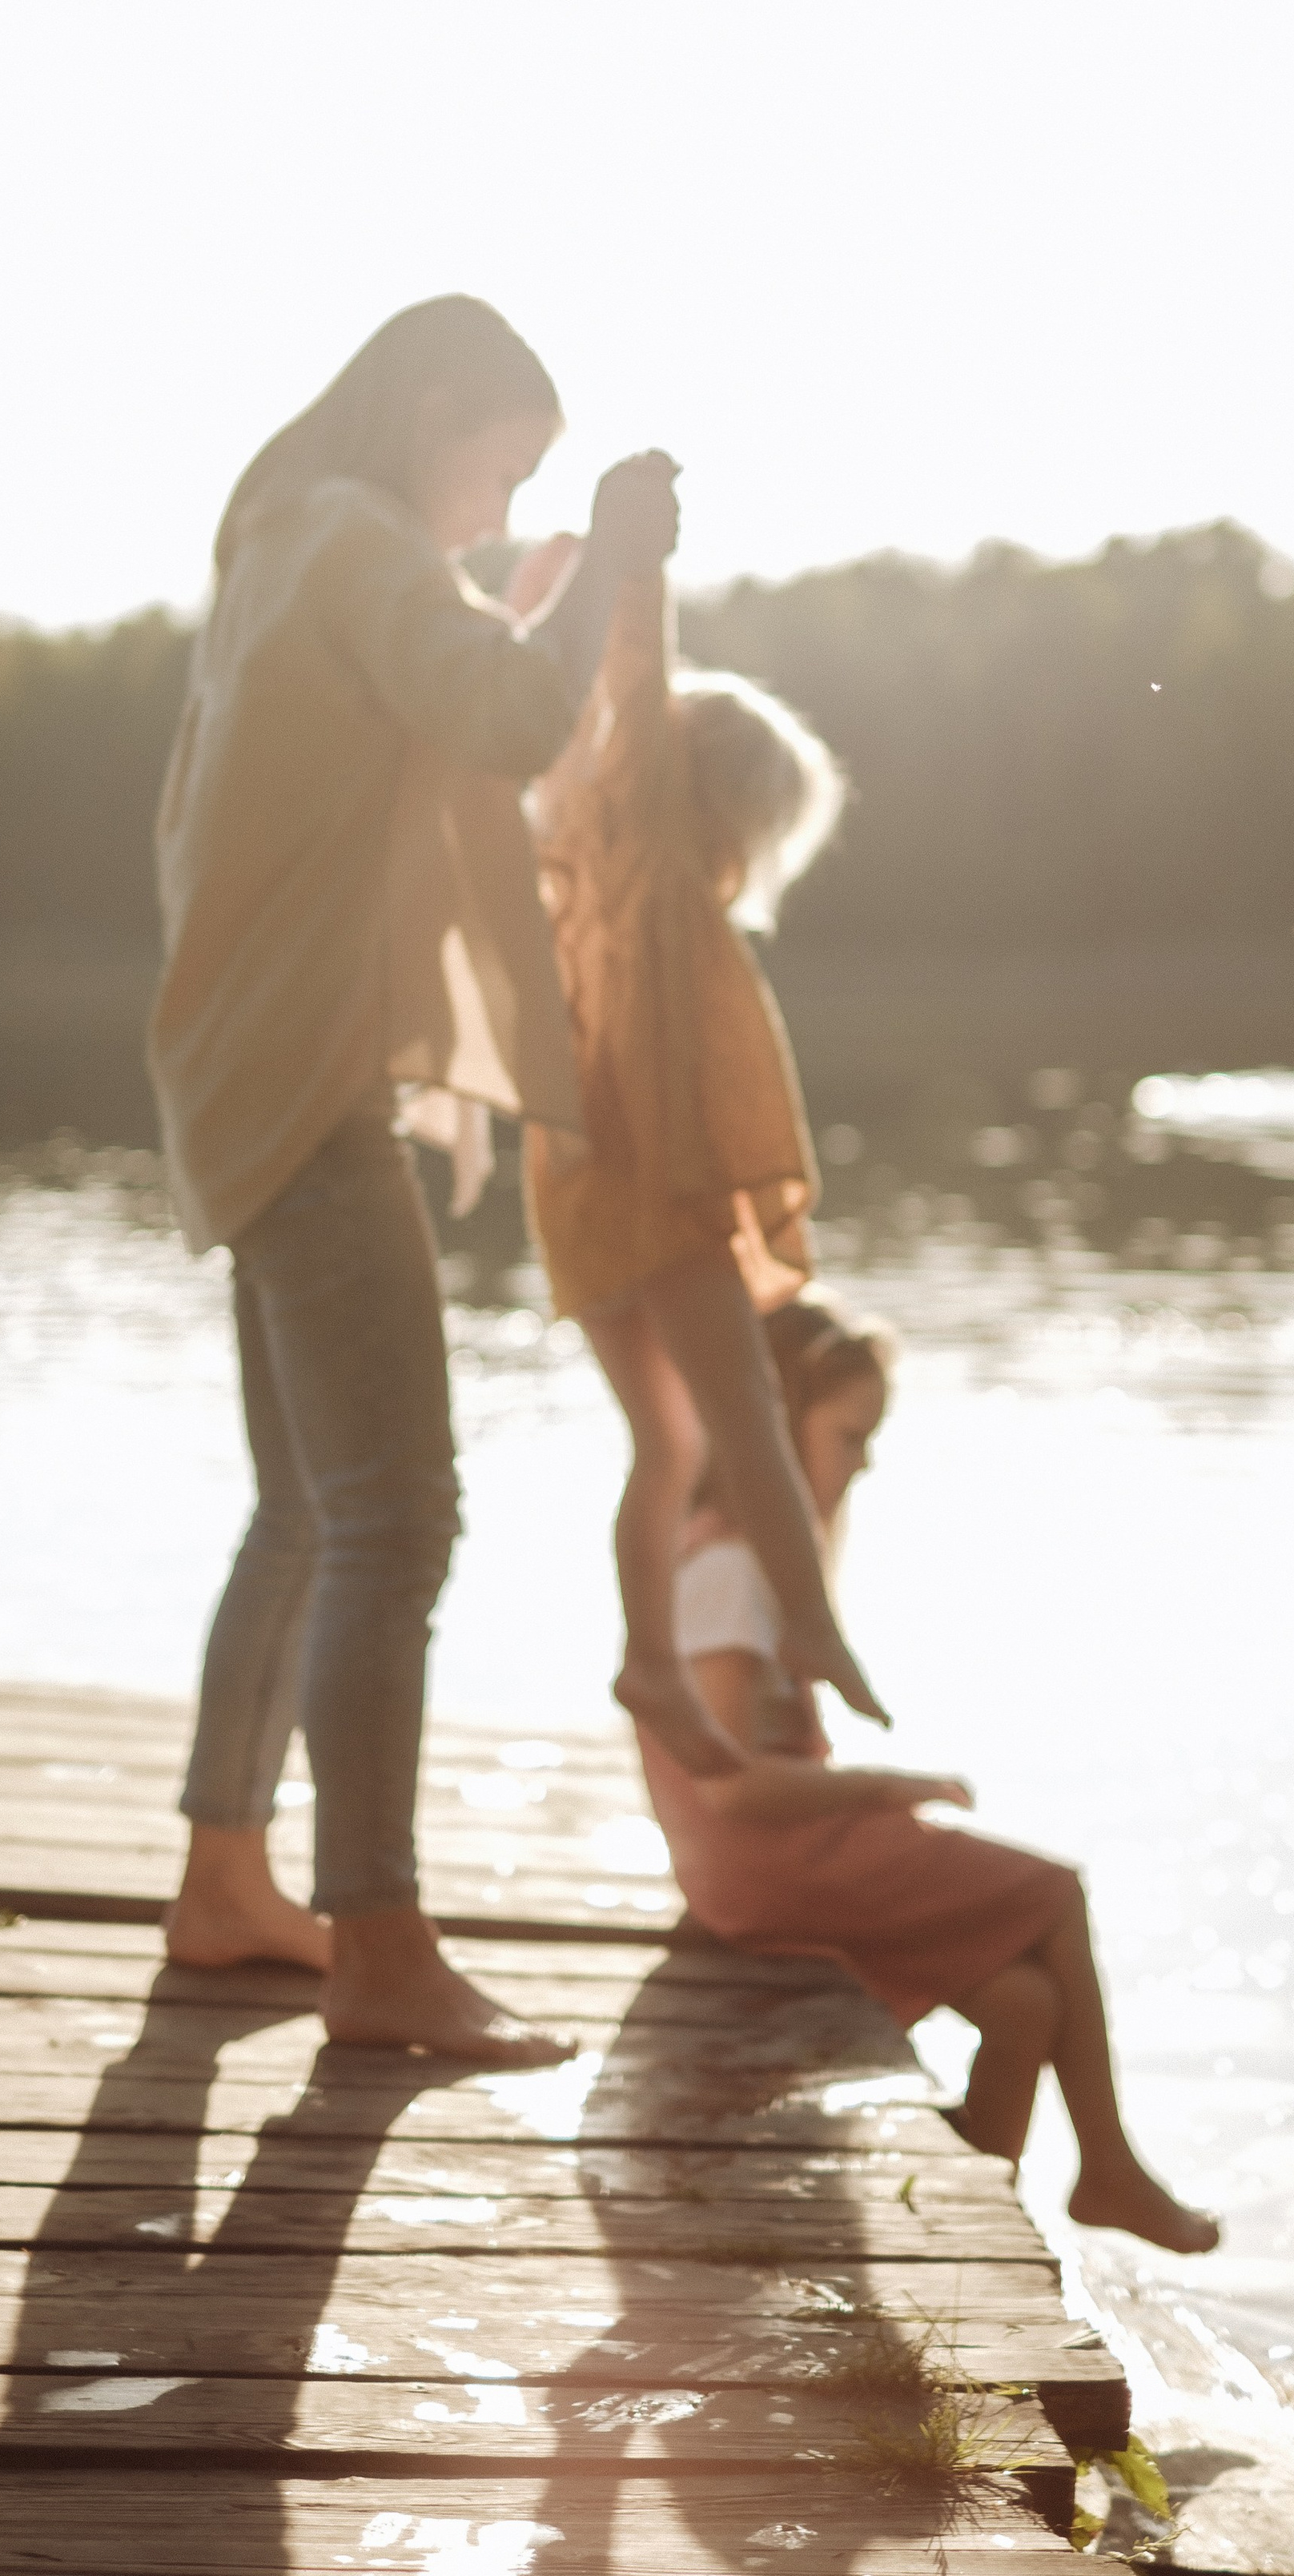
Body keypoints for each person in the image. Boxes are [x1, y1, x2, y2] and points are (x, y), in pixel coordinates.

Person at [152, 295, 679, 2061]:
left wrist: (527, 596)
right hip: (305, 1090)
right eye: (501, 465)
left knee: (303, 1508)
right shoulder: (358, 539)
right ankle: (377, 1942)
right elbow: (518, 722)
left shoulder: (290, 544)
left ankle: (228, 1879)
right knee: (397, 1516)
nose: (488, 509)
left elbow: (442, 697)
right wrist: (605, 554)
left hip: (239, 1073)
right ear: (438, 409)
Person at [637, 1297, 1221, 2250]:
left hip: (773, 1858)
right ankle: (1106, 2166)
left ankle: (959, 2237)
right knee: (1053, 1890)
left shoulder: (747, 1562)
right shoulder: (729, 1567)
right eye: (850, 1435)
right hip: (765, 1864)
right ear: (776, 1422)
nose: (863, 1461)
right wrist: (887, 1787)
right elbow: (733, 1788)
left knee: (1025, 2004)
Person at [515, 524, 886, 1780]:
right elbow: (632, 679)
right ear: (726, 810)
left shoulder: (581, 842)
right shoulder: (660, 862)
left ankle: (649, 1659)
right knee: (742, 1421)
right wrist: (635, 560)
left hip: (577, 1184)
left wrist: (541, 599)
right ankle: (817, 1633)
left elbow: (574, 720)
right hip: (651, 1177)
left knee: (669, 1447)